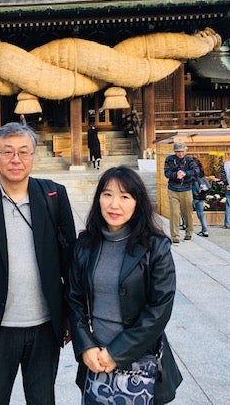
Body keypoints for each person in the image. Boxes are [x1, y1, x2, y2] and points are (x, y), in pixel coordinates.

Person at [0, 122, 77, 405]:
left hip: (45, 325)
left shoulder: (53, 196)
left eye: (23, 152)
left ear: (33, 156)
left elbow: (70, 261)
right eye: (7, 152)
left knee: (43, 399)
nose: (15, 159)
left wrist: (70, 315)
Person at [68, 166, 182, 405]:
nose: (114, 205)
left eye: (125, 197)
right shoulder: (85, 245)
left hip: (139, 362)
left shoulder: (155, 247)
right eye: (107, 194)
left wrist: (116, 352)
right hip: (95, 360)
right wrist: (86, 347)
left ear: (137, 202)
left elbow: (159, 307)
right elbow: (75, 299)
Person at [163, 140, 199, 244]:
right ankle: (175, 236)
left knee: (187, 213)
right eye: (178, 151)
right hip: (173, 189)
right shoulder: (169, 159)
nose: (180, 153)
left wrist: (185, 173)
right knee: (174, 213)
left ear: (185, 150)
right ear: (175, 151)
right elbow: (166, 173)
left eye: (182, 151)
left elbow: (196, 171)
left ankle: (189, 233)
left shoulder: (189, 160)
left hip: (186, 189)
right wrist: (176, 174)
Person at [192, 158, 210, 237]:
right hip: (202, 195)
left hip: (194, 195)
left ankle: (187, 227)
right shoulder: (202, 172)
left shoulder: (192, 173)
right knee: (201, 214)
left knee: (185, 212)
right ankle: (205, 230)